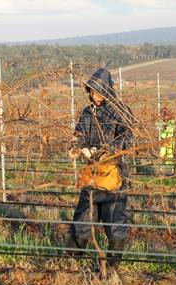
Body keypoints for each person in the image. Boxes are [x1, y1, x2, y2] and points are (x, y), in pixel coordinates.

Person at [67, 68, 134, 270]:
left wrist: (102, 151)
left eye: (97, 92)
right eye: (91, 92)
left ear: (106, 90)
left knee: (115, 226)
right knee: (82, 222)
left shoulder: (122, 111)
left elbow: (127, 140)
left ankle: (110, 266)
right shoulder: (88, 112)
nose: (94, 96)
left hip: (114, 174)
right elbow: (79, 133)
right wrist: (77, 147)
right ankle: (71, 262)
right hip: (92, 174)